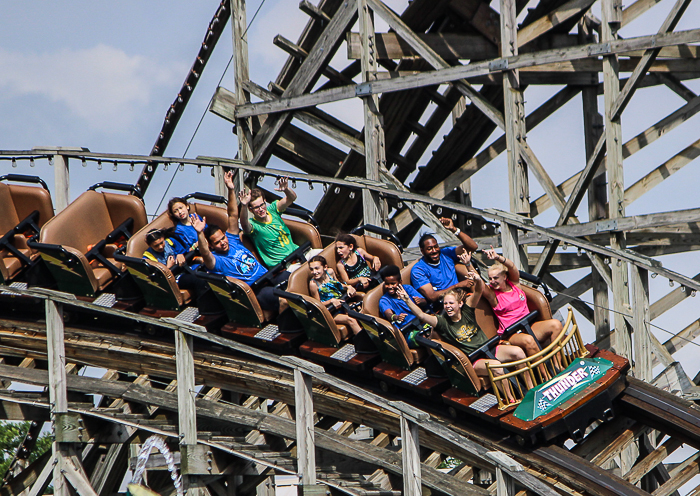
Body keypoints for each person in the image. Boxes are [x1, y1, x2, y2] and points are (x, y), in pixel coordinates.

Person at [397, 280, 525, 401]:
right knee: (497, 368)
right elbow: (421, 315)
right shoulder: (442, 322)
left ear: (460, 304)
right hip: (474, 360)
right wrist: (407, 300)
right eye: (445, 304)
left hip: (489, 349)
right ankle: (511, 400)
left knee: (518, 352)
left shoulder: (467, 311)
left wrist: (477, 279)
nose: (448, 307)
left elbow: (479, 291)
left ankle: (531, 390)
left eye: (451, 303)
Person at [192, 171, 288, 321]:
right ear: (211, 245)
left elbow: (232, 215)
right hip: (257, 290)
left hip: (269, 276)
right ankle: (286, 329)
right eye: (217, 242)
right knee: (287, 299)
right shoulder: (216, 262)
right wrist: (199, 233)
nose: (223, 242)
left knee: (295, 279)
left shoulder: (233, 239)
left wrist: (231, 189)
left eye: (222, 238)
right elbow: (205, 253)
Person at [482, 246, 563, 366]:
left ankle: (558, 365)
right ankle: (545, 375)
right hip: (513, 333)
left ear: (504, 277)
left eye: (495, 278)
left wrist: (497, 257)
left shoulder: (514, 284)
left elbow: (512, 267)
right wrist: (468, 265)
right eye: (490, 279)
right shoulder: (493, 295)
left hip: (529, 325)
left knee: (556, 324)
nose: (492, 281)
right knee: (529, 340)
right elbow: (480, 286)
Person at [410, 217, 479, 305]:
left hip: (461, 296)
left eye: (436, 247)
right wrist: (457, 286)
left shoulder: (446, 254)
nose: (434, 251)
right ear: (422, 251)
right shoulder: (418, 270)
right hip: (444, 304)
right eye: (429, 249)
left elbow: (473, 247)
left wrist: (454, 230)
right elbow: (432, 296)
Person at [238, 177, 299, 268]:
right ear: (251, 209)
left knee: (320, 255)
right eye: (256, 207)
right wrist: (243, 206)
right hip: (284, 265)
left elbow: (292, 198)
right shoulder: (254, 226)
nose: (261, 209)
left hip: (297, 252)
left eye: (262, 205)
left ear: (265, 201)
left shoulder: (273, 209)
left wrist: (286, 189)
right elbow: (244, 224)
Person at [141, 228, 208, 302]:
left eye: (161, 243)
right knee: (198, 281)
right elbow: (157, 279)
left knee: (206, 271)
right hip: (175, 278)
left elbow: (186, 252)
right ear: (149, 245)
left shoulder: (170, 242)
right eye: (156, 246)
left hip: (185, 268)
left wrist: (180, 254)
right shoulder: (148, 258)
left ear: (163, 238)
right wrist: (168, 268)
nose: (160, 247)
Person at [308, 255, 362, 336]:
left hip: (342, 303)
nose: (314, 272)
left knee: (359, 311)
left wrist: (348, 287)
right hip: (331, 311)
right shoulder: (313, 284)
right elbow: (318, 304)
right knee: (351, 319)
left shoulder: (330, 272)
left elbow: (339, 285)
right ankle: (365, 343)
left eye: (317, 268)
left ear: (325, 267)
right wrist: (331, 301)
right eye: (311, 269)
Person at [378, 265, 427, 348]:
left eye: (393, 283)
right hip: (408, 331)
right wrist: (396, 317)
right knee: (424, 337)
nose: (390, 287)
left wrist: (421, 301)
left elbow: (424, 301)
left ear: (400, 282)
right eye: (387, 284)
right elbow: (389, 314)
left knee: (435, 330)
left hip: (422, 322)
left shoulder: (408, 289)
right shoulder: (384, 300)